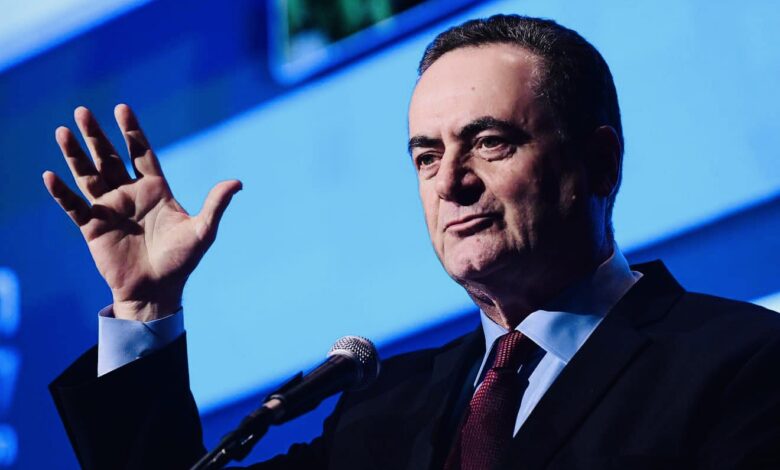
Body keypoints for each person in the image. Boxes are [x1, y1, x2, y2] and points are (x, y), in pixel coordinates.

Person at [46, 14, 780, 470]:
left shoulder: (742, 363)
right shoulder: (379, 410)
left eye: (488, 143)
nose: (450, 183)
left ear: (598, 163)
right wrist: (144, 307)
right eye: (426, 157)